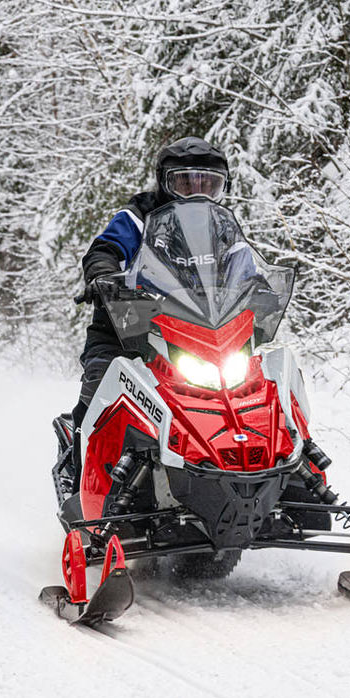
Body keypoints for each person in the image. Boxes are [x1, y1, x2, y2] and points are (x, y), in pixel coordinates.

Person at [67, 136, 231, 474]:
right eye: (185, 182)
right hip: (131, 323)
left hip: (200, 330)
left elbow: (243, 262)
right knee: (101, 384)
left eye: (209, 184)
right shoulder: (139, 214)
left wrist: (258, 289)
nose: (197, 191)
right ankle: (79, 471)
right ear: (165, 182)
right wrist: (103, 275)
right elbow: (106, 249)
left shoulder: (221, 226)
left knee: (252, 385)